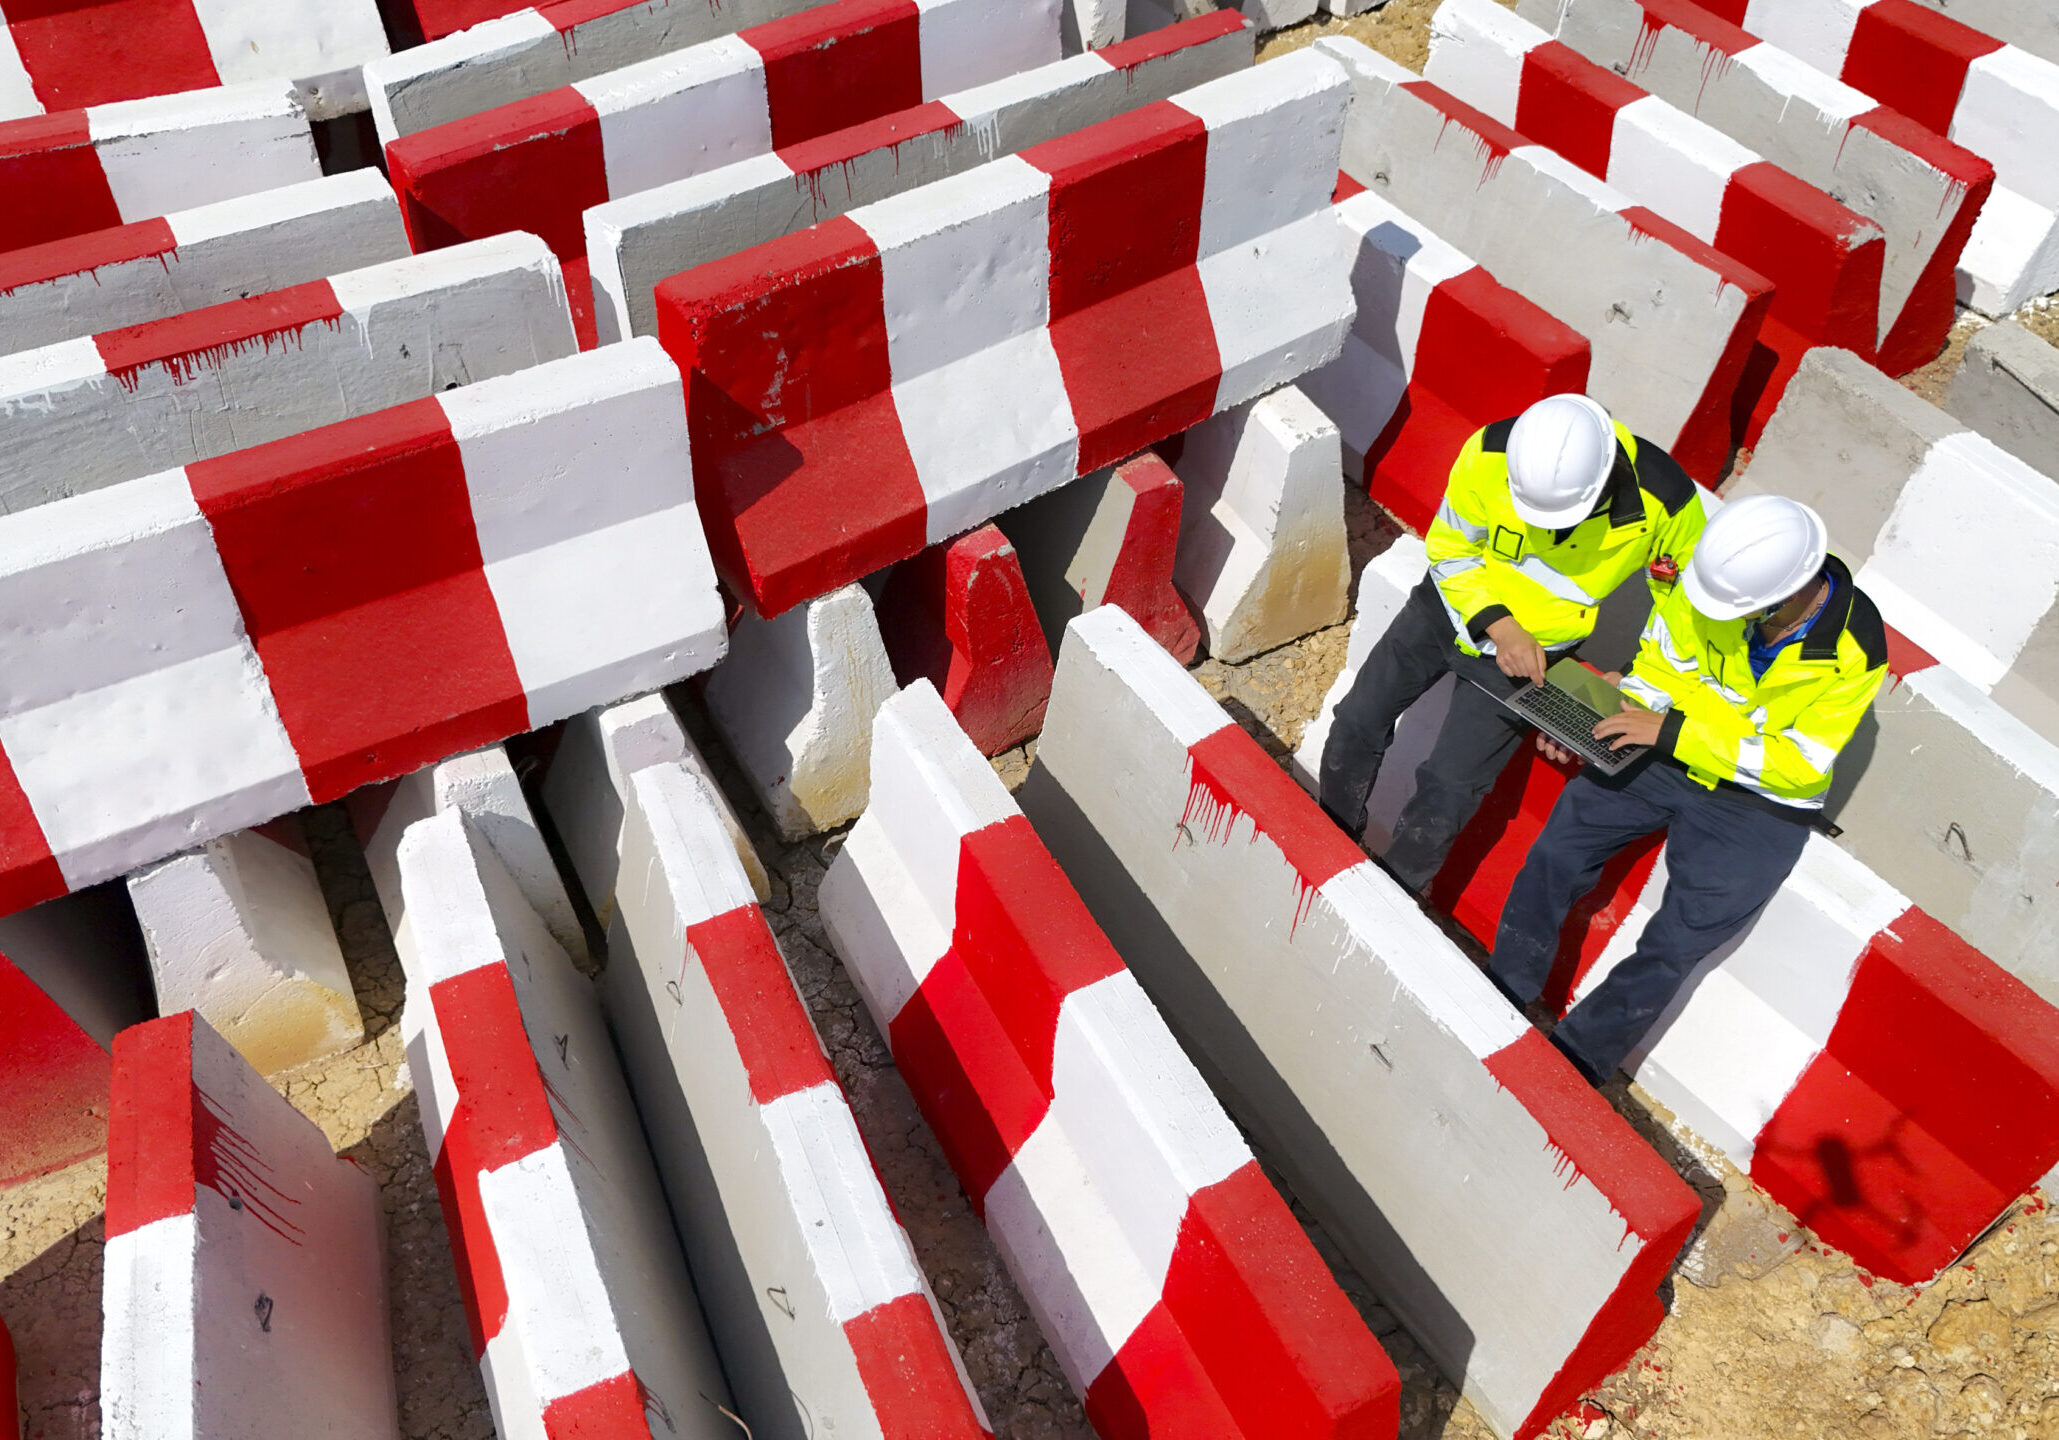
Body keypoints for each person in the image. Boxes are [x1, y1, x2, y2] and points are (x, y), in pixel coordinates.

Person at [1489, 494, 1890, 1085]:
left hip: (1757, 798)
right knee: (1558, 853)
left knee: (1676, 941)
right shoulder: (1710, 574)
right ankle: (1499, 997)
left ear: (1787, 595)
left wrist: (1674, 733)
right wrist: (1597, 716)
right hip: (1663, 744)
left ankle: (1572, 1064)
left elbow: (1799, 764)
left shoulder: (1857, 647)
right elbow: (1660, 668)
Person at [1319, 394, 1705, 892]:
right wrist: (1500, 626)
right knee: (1357, 719)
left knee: (1449, 790)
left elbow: (1683, 618)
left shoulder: (1668, 503)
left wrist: (1636, 683)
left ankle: (1391, 896)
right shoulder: (1492, 452)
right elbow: (1451, 548)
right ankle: (1327, 837)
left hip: (1534, 659)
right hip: (1446, 609)